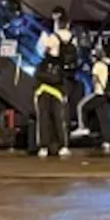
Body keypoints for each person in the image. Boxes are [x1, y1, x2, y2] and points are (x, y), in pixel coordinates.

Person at [33, 9, 77, 158]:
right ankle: (63, 145)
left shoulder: (52, 37)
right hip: (62, 82)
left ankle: (44, 147)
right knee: (61, 116)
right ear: (69, 23)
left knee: (43, 116)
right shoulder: (73, 39)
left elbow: (42, 53)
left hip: (46, 82)